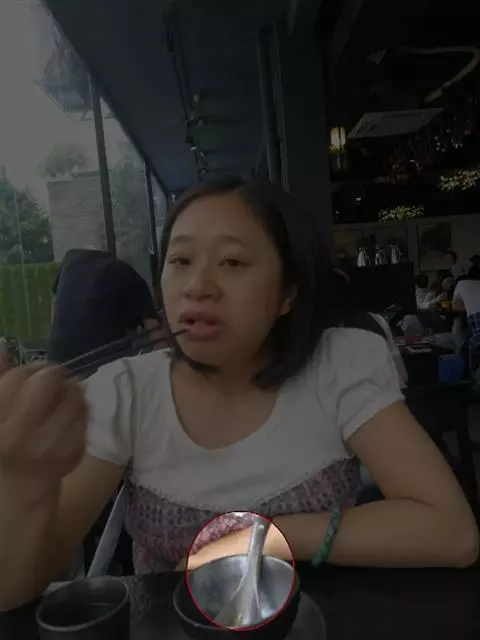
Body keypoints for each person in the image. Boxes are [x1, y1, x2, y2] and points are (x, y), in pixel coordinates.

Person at [0, 178, 477, 611]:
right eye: (180, 261)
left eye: (232, 262)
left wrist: (265, 537)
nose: (197, 287)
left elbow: (452, 533)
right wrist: (22, 479)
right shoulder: (128, 391)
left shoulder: (337, 366)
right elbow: (12, 589)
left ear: (288, 292)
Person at [47, 249, 162, 368]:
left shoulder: (71, 259)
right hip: (100, 367)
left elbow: (55, 302)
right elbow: (158, 337)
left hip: (57, 362)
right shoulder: (132, 278)